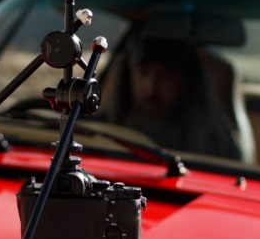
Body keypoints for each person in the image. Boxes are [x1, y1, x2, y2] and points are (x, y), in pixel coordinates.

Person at [104, 35, 243, 160]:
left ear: (186, 81)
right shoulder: (101, 129)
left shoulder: (216, 144)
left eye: (166, 76)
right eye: (143, 73)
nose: (151, 88)